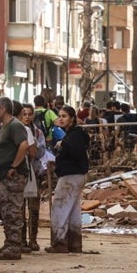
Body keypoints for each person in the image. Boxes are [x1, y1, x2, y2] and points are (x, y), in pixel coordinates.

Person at [0, 97, 30, 260]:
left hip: (12, 177)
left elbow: (24, 145)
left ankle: (14, 247)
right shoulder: (4, 126)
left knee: (13, 211)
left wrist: (14, 166)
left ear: (3, 109)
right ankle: (9, 244)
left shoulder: (15, 126)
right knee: (6, 211)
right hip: (3, 177)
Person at [47, 105, 89, 254]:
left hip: (71, 175)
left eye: (64, 116)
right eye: (60, 116)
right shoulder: (74, 134)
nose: (61, 119)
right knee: (72, 209)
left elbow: (75, 151)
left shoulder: (74, 136)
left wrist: (63, 145)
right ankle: (74, 243)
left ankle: (59, 242)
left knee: (60, 206)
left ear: (72, 118)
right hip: (77, 174)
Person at [17, 103, 48, 252]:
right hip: (20, 173)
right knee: (20, 208)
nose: (27, 117)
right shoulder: (17, 130)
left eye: (30, 114)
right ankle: (22, 240)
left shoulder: (37, 133)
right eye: (24, 114)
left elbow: (39, 152)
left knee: (34, 208)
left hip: (35, 173)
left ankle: (33, 240)